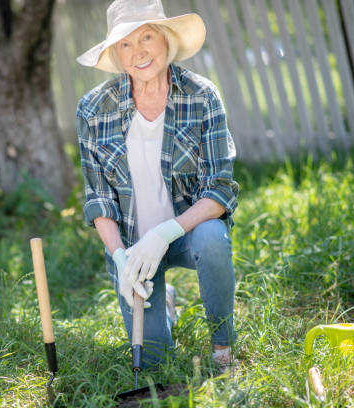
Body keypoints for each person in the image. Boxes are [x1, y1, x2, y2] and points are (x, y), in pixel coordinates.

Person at [75, 0, 239, 369]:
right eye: (126, 43)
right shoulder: (92, 110)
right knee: (154, 364)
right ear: (117, 54)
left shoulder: (201, 96)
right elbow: (99, 200)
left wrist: (164, 233)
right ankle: (163, 308)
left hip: (186, 233)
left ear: (165, 38)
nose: (139, 52)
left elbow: (221, 190)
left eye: (147, 36)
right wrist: (120, 258)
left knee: (213, 238)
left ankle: (222, 350)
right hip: (132, 247)